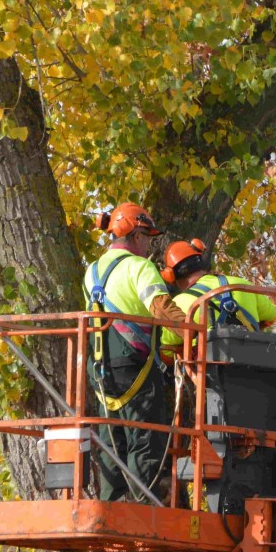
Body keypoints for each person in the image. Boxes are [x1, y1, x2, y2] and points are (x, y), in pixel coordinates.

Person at [84, 203, 186, 503]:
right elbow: (162, 308)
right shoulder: (139, 267)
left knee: (112, 439)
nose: (149, 246)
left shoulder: (92, 271)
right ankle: (146, 504)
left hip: (101, 367)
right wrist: (197, 334)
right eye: (148, 238)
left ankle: (112, 505)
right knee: (145, 437)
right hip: (135, 365)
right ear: (136, 233)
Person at [159, 238, 276, 354]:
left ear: (171, 276)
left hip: (209, 370)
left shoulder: (176, 304)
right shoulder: (241, 284)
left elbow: (168, 351)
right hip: (254, 361)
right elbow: (271, 316)